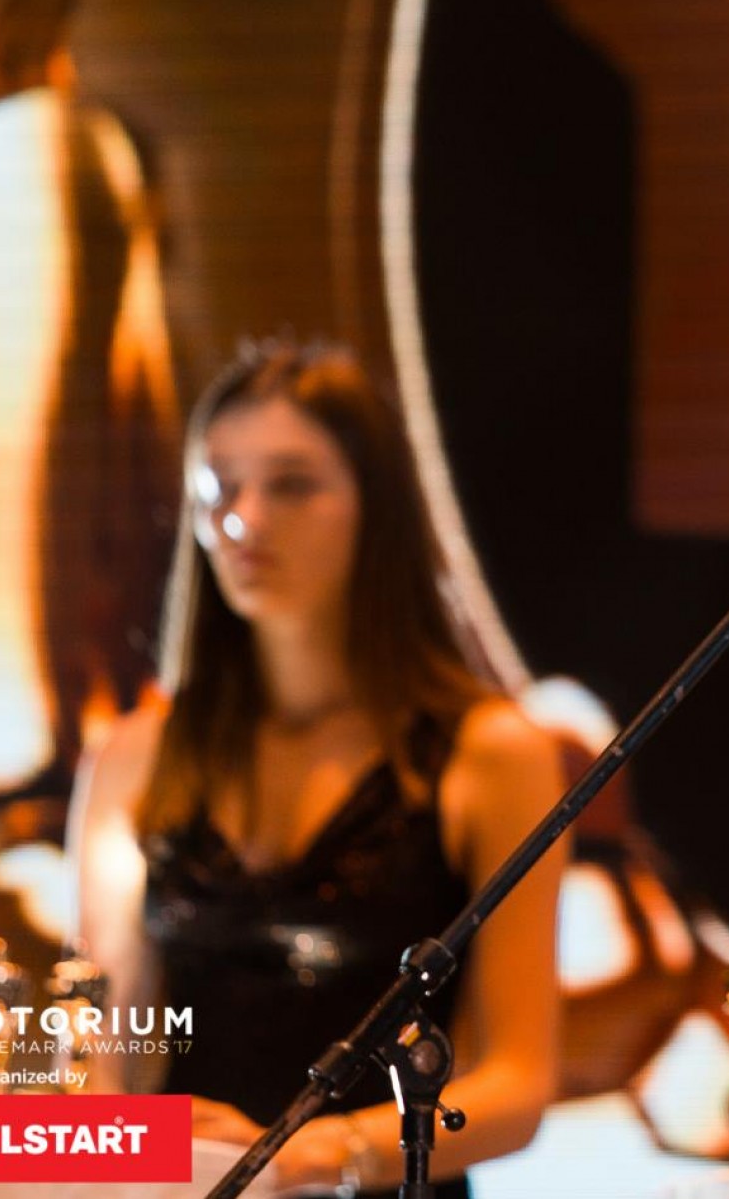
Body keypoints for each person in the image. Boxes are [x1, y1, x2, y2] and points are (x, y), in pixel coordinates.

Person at [68, 340, 565, 1197]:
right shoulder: (138, 754)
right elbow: (102, 1054)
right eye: (218, 487)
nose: (244, 519)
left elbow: (517, 1086)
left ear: (378, 506)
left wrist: (308, 1153)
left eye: (292, 484)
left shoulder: (492, 752)